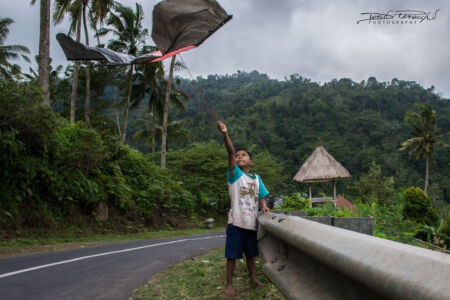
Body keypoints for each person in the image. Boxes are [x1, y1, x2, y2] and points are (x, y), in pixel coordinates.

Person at [216, 121, 270, 297]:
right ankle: (229, 285)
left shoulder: (256, 177)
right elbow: (230, 152)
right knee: (232, 255)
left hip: (251, 223)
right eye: (238, 156)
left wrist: (264, 205)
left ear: (251, 161)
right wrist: (225, 133)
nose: (239, 157)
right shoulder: (235, 175)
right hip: (236, 223)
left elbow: (262, 194)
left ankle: (254, 281)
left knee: (251, 256)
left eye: (243, 155)